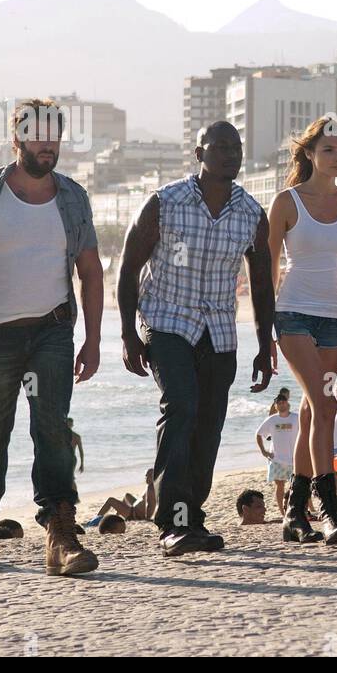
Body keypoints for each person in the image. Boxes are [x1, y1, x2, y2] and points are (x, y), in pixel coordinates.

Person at [0, 97, 103, 576]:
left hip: (52, 329)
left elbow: (90, 272)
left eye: (54, 136)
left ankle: (61, 535)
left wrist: (93, 341)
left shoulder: (72, 196)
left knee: (53, 428)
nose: (47, 145)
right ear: (17, 138)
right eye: (38, 135)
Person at [118, 120, 274, 558]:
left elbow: (261, 284)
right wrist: (129, 334)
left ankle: (192, 517)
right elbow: (128, 268)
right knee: (181, 404)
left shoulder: (250, 214)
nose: (230, 154)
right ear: (199, 152)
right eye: (220, 146)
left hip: (220, 331)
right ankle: (172, 521)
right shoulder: (164, 203)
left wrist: (266, 344)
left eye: (236, 147)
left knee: (208, 425)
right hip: (167, 321)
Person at [267, 115, 337, 545]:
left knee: (310, 410)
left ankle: (294, 512)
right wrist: (266, 331)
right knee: (324, 408)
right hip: (293, 316)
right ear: (309, 153)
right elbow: (268, 268)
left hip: (335, 320)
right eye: (328, 150)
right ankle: (328, 507)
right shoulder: (287, 203)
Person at [257, 397, 300, 516]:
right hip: (277, 459)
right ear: (275, 406)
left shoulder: (296, 418)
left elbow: (306, 433)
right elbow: (259, 434)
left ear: (288, 404)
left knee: (297, 486)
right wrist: (263, 451)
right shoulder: (271, 420)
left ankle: (297, 510)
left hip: (294, 459)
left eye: (284, 402)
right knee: (279, 486)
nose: (282, 405)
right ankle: (282, 513)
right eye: (279, 403)